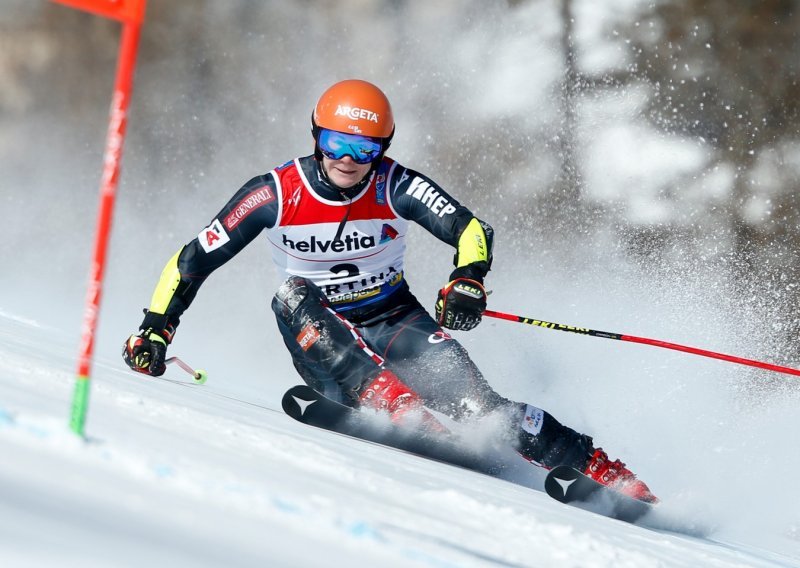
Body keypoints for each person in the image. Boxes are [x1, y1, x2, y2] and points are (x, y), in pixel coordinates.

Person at [123, 79, 657, 503]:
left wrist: (468, 278)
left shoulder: (396, 184)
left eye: (363, 148)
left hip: (393, 316)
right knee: (292, 292)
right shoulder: (275, 192)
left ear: (383, 148)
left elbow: (471, 229)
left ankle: (603, 470)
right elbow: (192, 259)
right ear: (315, 137)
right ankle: (388, 401)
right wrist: (155, 328)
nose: (348, 160)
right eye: (335, 143)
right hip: (319, 334)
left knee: (481, 407)